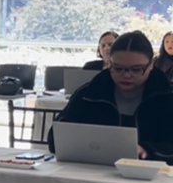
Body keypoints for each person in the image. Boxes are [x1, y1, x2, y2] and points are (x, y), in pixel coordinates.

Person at [49, 31, 173, 162]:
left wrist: (149, 150)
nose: (126, 75)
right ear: (109, 63)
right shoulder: (89, 94)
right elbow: (55, 139)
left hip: (154, 171)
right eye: (118, 68)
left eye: (136, 69)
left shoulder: (168, 96)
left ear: (151, 64)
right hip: (92, 168)